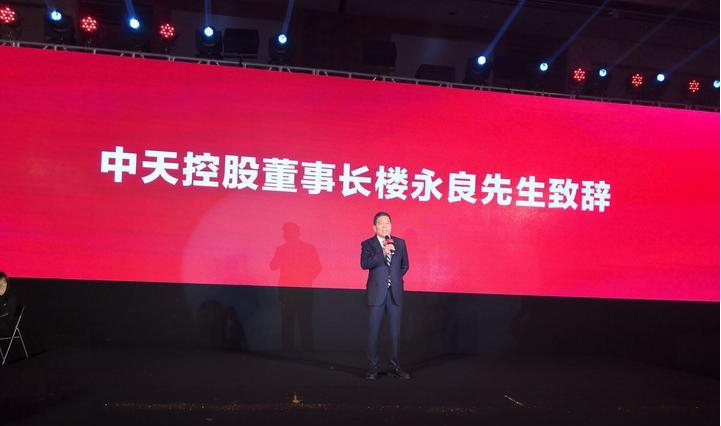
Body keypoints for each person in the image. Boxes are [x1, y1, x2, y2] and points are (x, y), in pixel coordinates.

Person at [360, 212, 411, 380]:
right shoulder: (368, 244)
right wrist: (383, 252)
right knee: (373, 333)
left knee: (395, 333)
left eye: (387, 222)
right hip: (376, 293)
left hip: (395, 293)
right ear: (374, 227)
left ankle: (395, 366)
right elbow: (365, 264)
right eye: (381, 223)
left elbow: (405, 265)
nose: (385, 226)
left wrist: (393, 279)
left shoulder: (400, 243)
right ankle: (373, 368)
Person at [0, 272, 18, 337]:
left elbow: (5, 314)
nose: (2, 285)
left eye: (4, 282)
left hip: (5, 326)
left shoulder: (10, 297)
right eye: (0, 282)